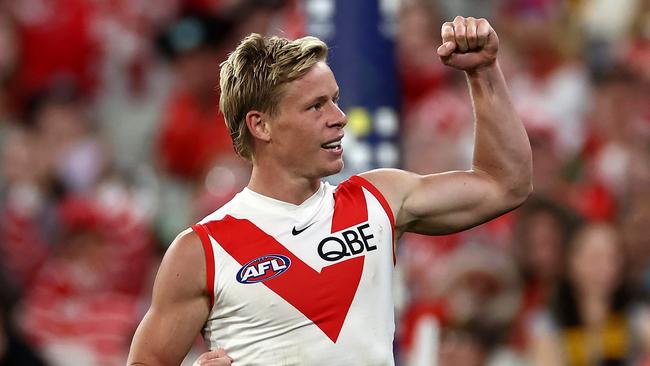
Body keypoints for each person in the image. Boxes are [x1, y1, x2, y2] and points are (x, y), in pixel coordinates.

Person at [127, 16, 532, 365]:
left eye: (335, 101)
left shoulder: (379, 199)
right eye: (315, 106)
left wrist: (483, 72)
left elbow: (505, 184)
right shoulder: (201, 251)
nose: (339, 119)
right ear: (261, 125)